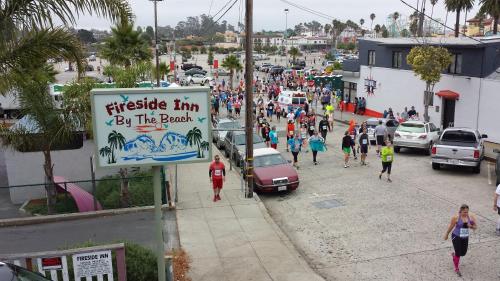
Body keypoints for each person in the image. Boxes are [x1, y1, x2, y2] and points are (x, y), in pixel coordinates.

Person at [444, 204, 477, 277]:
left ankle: (454, 255)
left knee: (463, 253)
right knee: (458, 253)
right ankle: (456, 268)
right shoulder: (456, 217)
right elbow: (451, 226)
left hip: (465, 237)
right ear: (460, 211)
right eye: (464, 212)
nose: (466, 213)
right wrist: (446, 234)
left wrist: (470, 226)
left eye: (467, 212)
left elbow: (475, 227)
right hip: (456, 236)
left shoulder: (470, 217)